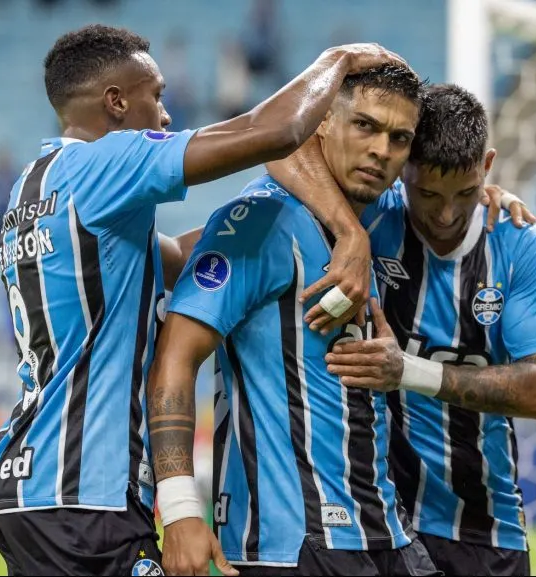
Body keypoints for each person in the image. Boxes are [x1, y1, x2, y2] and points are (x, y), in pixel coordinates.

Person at [0, 23, 404, 576]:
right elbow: (273, 131)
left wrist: (267, 221)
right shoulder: (104, 163)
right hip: (84, 489)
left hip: (22, 484)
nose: (164, 114)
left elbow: (179, 256)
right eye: (154, 97)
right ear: (115, 102)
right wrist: (343, 58)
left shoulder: (34, 188)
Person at [148, 64, 440, 577]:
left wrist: (489, 199)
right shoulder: (257, 222)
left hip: (386, 533)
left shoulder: (385, 218)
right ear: (323, 122)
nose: (381, 150)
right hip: (291, 544)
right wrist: (178, 509)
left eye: (400, 138)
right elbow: (176, 356)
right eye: (365, 126)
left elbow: (446, 196)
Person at [286, 84, 536, 576]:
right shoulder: (377, 214)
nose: (444, 214)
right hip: (383, 519)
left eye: (464, 193)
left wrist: (407, 371)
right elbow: (284, 146)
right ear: (403, 170)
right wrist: (350, 232)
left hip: (485, 524)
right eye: (428, 193)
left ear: (487, 166)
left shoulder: (520, 244)